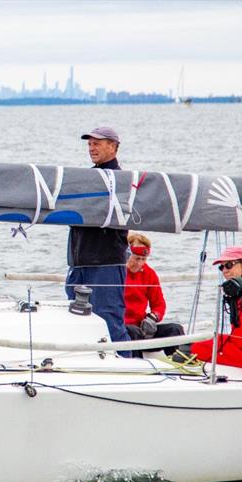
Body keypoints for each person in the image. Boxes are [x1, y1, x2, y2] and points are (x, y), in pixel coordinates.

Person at [66, 126, 131, 354]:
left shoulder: (121, 181)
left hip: (105, 265)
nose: (91, 148)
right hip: (79, 264)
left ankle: (128, 368)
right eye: (89, 144)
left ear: (113, 147)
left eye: (97, 143)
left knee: (110, 322)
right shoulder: (88, 179)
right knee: (78, 322)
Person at [123, 233, 185, 357]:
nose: (140, 263)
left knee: (175, 329)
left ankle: (179, 364)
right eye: (136, 258)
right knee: (132, 331)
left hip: (142, 327)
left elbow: (159, 304)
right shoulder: (118, 274)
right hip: (123, 329)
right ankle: (137, 366)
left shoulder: (149, 273)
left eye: (143, 259)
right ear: (127, 255)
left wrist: (153, 317)